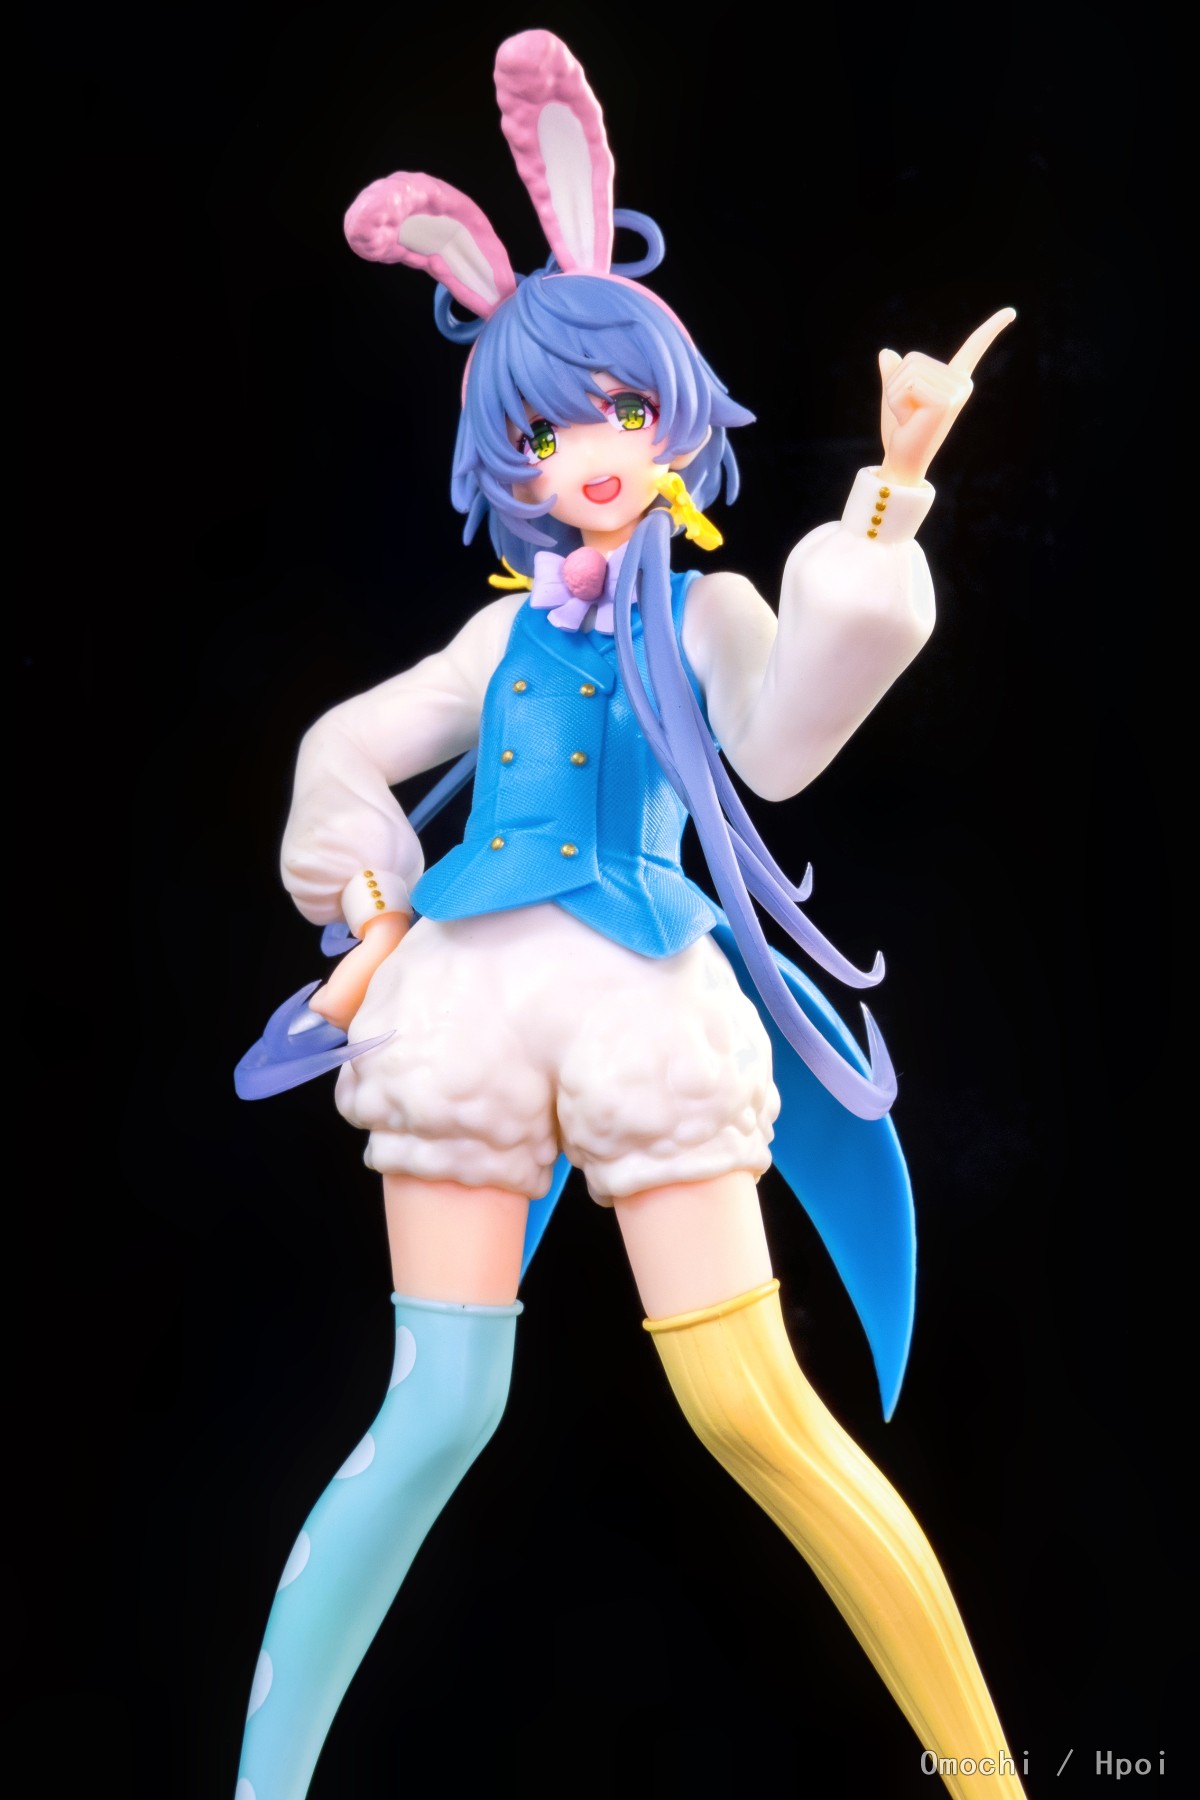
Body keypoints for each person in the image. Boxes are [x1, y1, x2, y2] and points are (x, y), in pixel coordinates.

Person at [233, 29, 1021, 1800]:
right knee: (434, 1411)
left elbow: (785, 742)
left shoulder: (703, 616)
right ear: (501, 454)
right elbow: (345, 747)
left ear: (673, 417)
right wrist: (362, 881)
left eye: (621, 410)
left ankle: (991, 1776)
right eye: (546, 425)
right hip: (463, 1008)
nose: (592, 449)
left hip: (644, 998)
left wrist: (890, 499)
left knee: (751, 1406)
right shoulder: (498, 632)